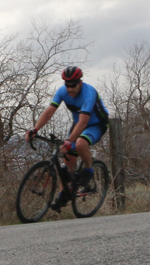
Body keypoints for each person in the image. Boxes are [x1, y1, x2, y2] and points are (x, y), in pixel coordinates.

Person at [26, 65, 109, 210]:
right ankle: (63, 195)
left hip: (96, 124)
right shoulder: (62, 92)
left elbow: (84, 121)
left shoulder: (89, 93)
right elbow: (50, 111)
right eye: (67, 85)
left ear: (80, 82)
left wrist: (70, 140)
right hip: (78, 125)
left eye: (73, 85)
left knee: (80, 143)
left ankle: (89, 170)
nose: (70, 89)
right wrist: (35, 129)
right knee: (66, 161)